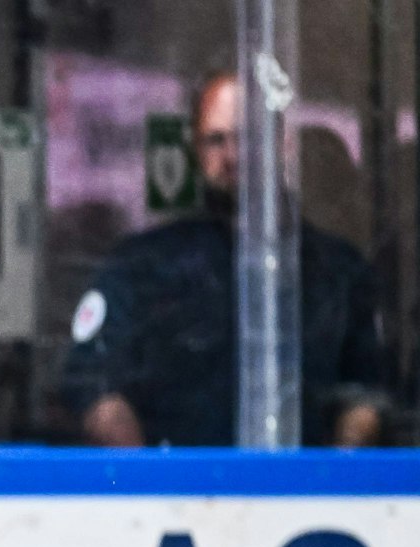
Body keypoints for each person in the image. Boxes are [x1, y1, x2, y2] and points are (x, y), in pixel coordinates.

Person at [65, 73, 388, 446]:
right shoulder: (144, 264)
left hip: (305, 496)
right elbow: (93, 382)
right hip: (178, 496)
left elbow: (367, 392)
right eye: (216, 140)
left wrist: (333, 483)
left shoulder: (339, 270)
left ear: (283, 145)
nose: (232, 155)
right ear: (197, 153)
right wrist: (149, 482)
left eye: (248, 137)